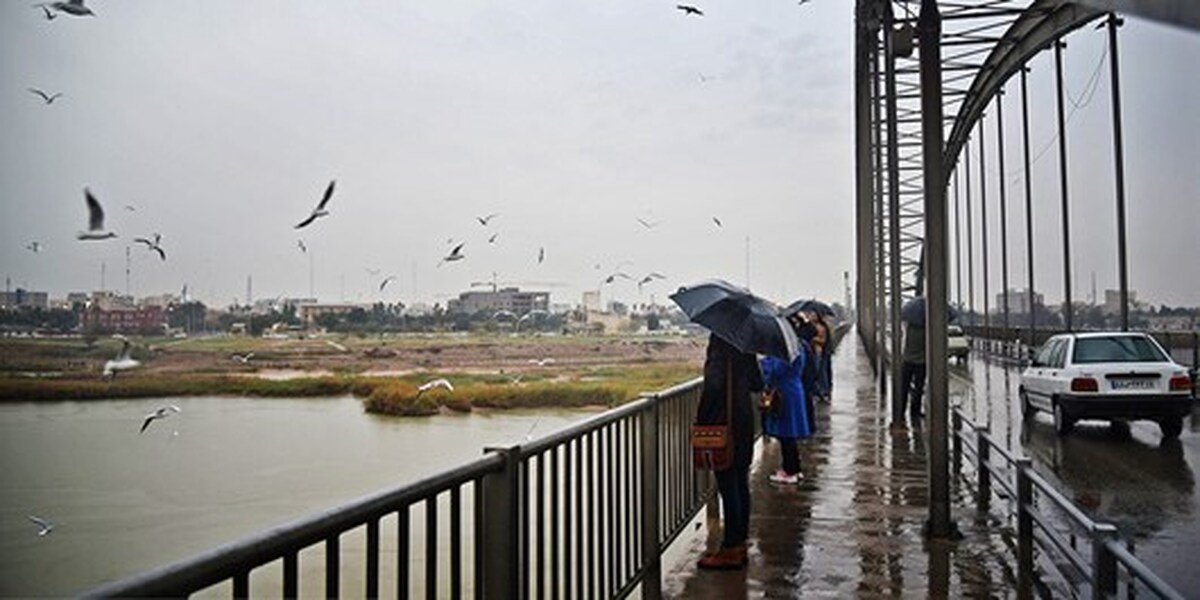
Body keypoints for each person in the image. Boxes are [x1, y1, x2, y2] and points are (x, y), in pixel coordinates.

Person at [695, 334, 764, 570]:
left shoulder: (719, 341)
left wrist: (702, 421)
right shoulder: (746, 344)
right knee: (740, 482)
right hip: (745, 419)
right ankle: (740, 542)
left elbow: (713, 385)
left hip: (724, 421)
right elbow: (757, 383)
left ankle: (730, 548)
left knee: (727, 484)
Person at [760, 344, 812, 485]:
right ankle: (794, 468)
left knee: (786, 434)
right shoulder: (797, 346)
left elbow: (776, 370)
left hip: (785, 394)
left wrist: (765, 362)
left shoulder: (784, 350)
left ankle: (790, 471)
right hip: (793, 390)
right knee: (789, 434)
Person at [899, 321, 926, 421]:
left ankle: (901, 411)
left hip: (907, 360)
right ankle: (915, 412)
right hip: (921, 362)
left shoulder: (909, 328)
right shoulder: (926, 330)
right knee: (918, 388)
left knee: (904, 387)